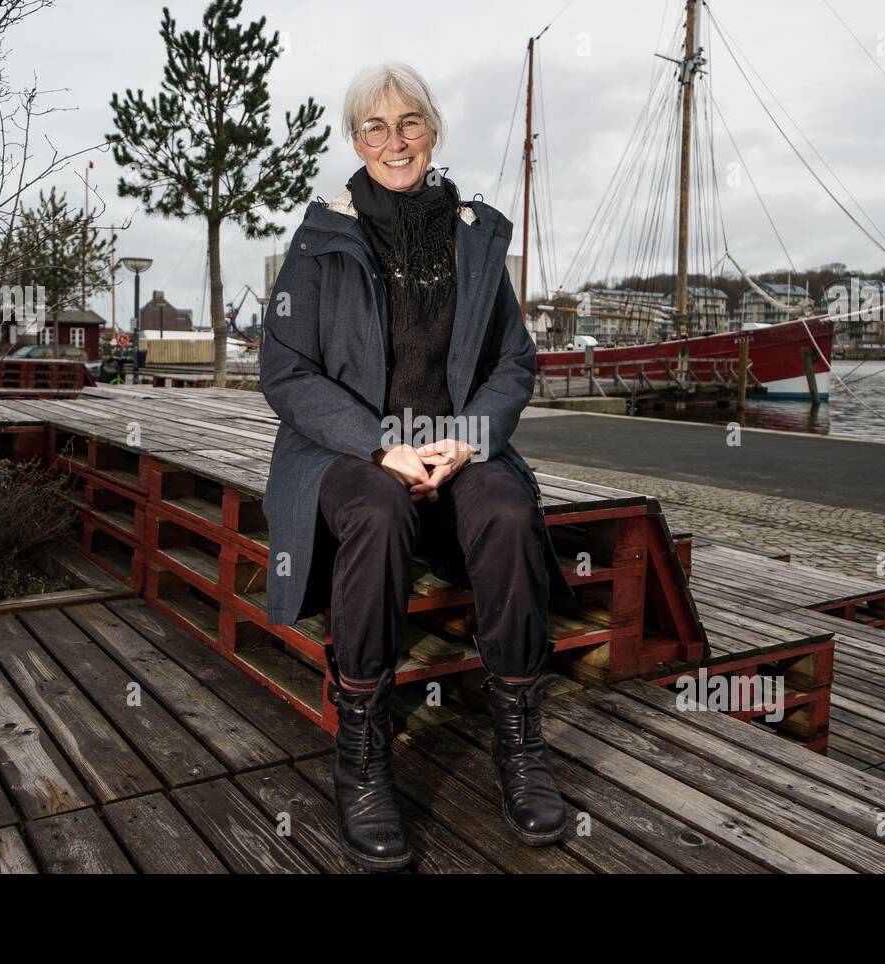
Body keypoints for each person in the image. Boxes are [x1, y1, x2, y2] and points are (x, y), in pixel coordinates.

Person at [259, 62, 575, 871]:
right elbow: (285, 370)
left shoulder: (477, 236)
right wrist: (377, 443)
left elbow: (514, 360)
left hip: (456, 442)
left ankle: (521, 738)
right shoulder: (319, 239)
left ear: (432, 132)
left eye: (409, 124)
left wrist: (470, 435)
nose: (393, 141)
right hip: (348, 449)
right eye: (375, 126)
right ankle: (363, 749)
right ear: (355, 139)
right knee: (378, 510)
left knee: (508, 509)